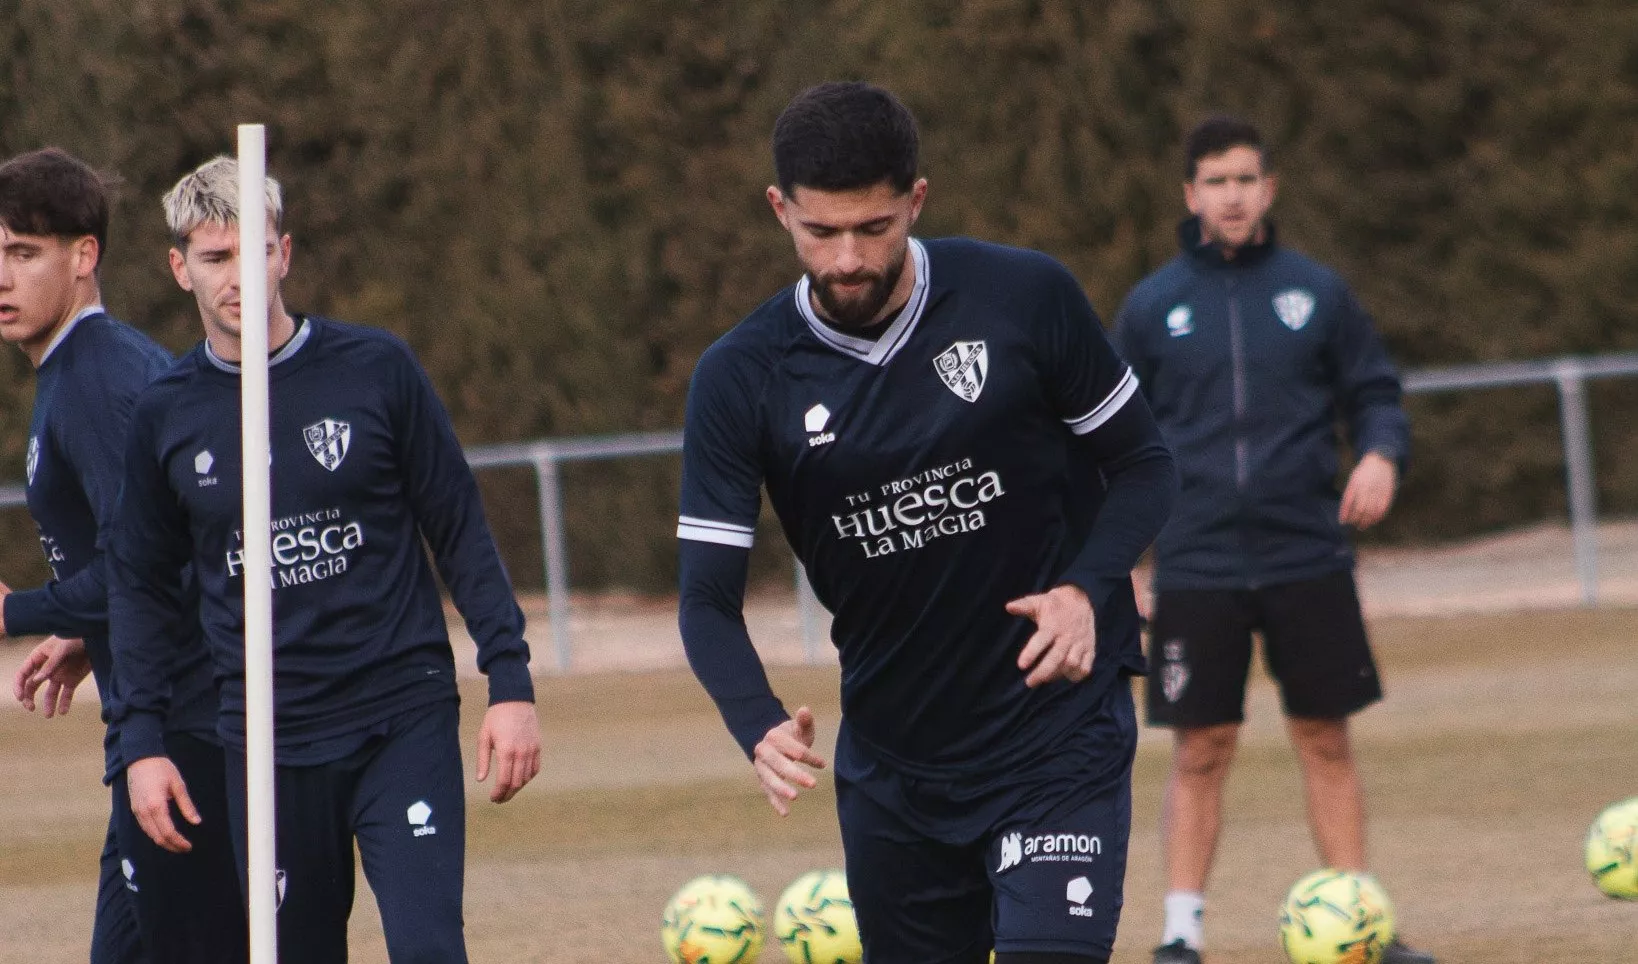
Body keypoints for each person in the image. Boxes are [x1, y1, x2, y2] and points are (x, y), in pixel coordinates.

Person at [677, 82, 1176, 964]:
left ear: (916, 200)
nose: (847, 260)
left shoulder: (1022, 298)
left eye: (874, 228)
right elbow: (707, 602)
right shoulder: (741, 377)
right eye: (819, 231)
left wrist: (1085, 591)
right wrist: (754, 720)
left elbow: (1143, 464)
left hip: (1055, 738)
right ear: (778, 209)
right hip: (895, 768)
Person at [106, 156, 542, 964]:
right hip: (266, 741)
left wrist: (509, 682)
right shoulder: (166, 414)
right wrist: (142, 742)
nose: (237, 276)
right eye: (213, 258)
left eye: (254, 251)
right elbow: (137, 588)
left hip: (399, 714)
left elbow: (460, 528)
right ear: (179, 268)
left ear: (285, 251)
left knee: (428, 947)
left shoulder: (375, 371)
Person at [1112, 116, 1432, 964]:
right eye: (1216, 181)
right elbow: (1110, 439)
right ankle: (1180, 934)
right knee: (1200, 749)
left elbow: (1377, 394)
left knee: (1326, 736)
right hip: (1198, 558)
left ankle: (1362, 921)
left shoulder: (1317, 293)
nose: (1233, 195)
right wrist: (1121, 560)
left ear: (1270, 189)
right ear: (1190, 195)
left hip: (1305, 553)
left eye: (1247, 179)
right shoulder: (1152, 307)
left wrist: (1379, 455)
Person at [0, 147, 246, 963]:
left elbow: (156, 564)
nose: (2, 277)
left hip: (185, 727)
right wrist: (79, 631)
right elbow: (145, 553)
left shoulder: (99, 381)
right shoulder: (78, 374)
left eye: (23, 253)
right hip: (152, 722)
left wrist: (19, 609)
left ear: (84, 257)